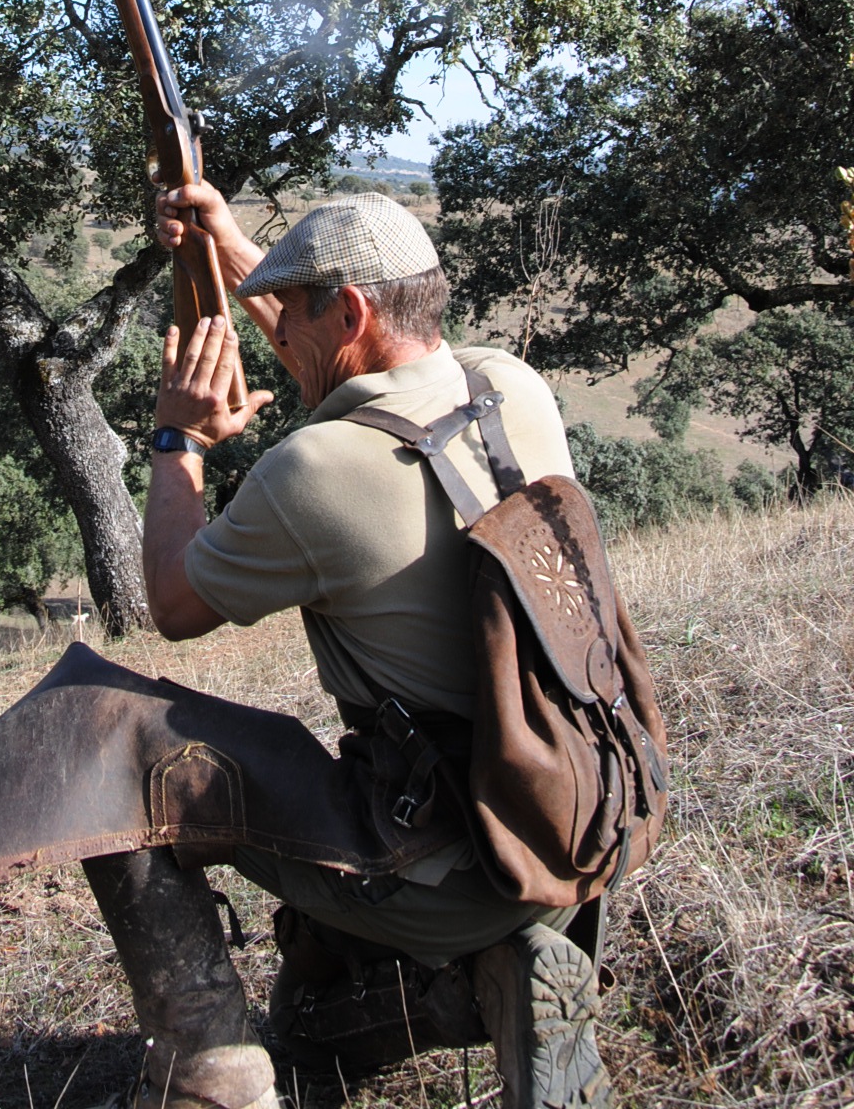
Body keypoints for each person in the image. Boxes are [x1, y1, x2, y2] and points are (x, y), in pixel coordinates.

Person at [113, 179, 615, 1109]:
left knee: (121, 763)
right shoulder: (510, 385)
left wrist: (178, 439)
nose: (281, 334)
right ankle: (490, 976)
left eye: (293, 309)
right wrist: (229, 240)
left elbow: (173, 605)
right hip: (572, 823)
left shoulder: (312, 470)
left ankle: (213, 1080)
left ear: (349, 311)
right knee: (314, 1004)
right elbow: (339, 358)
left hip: (449, 866)